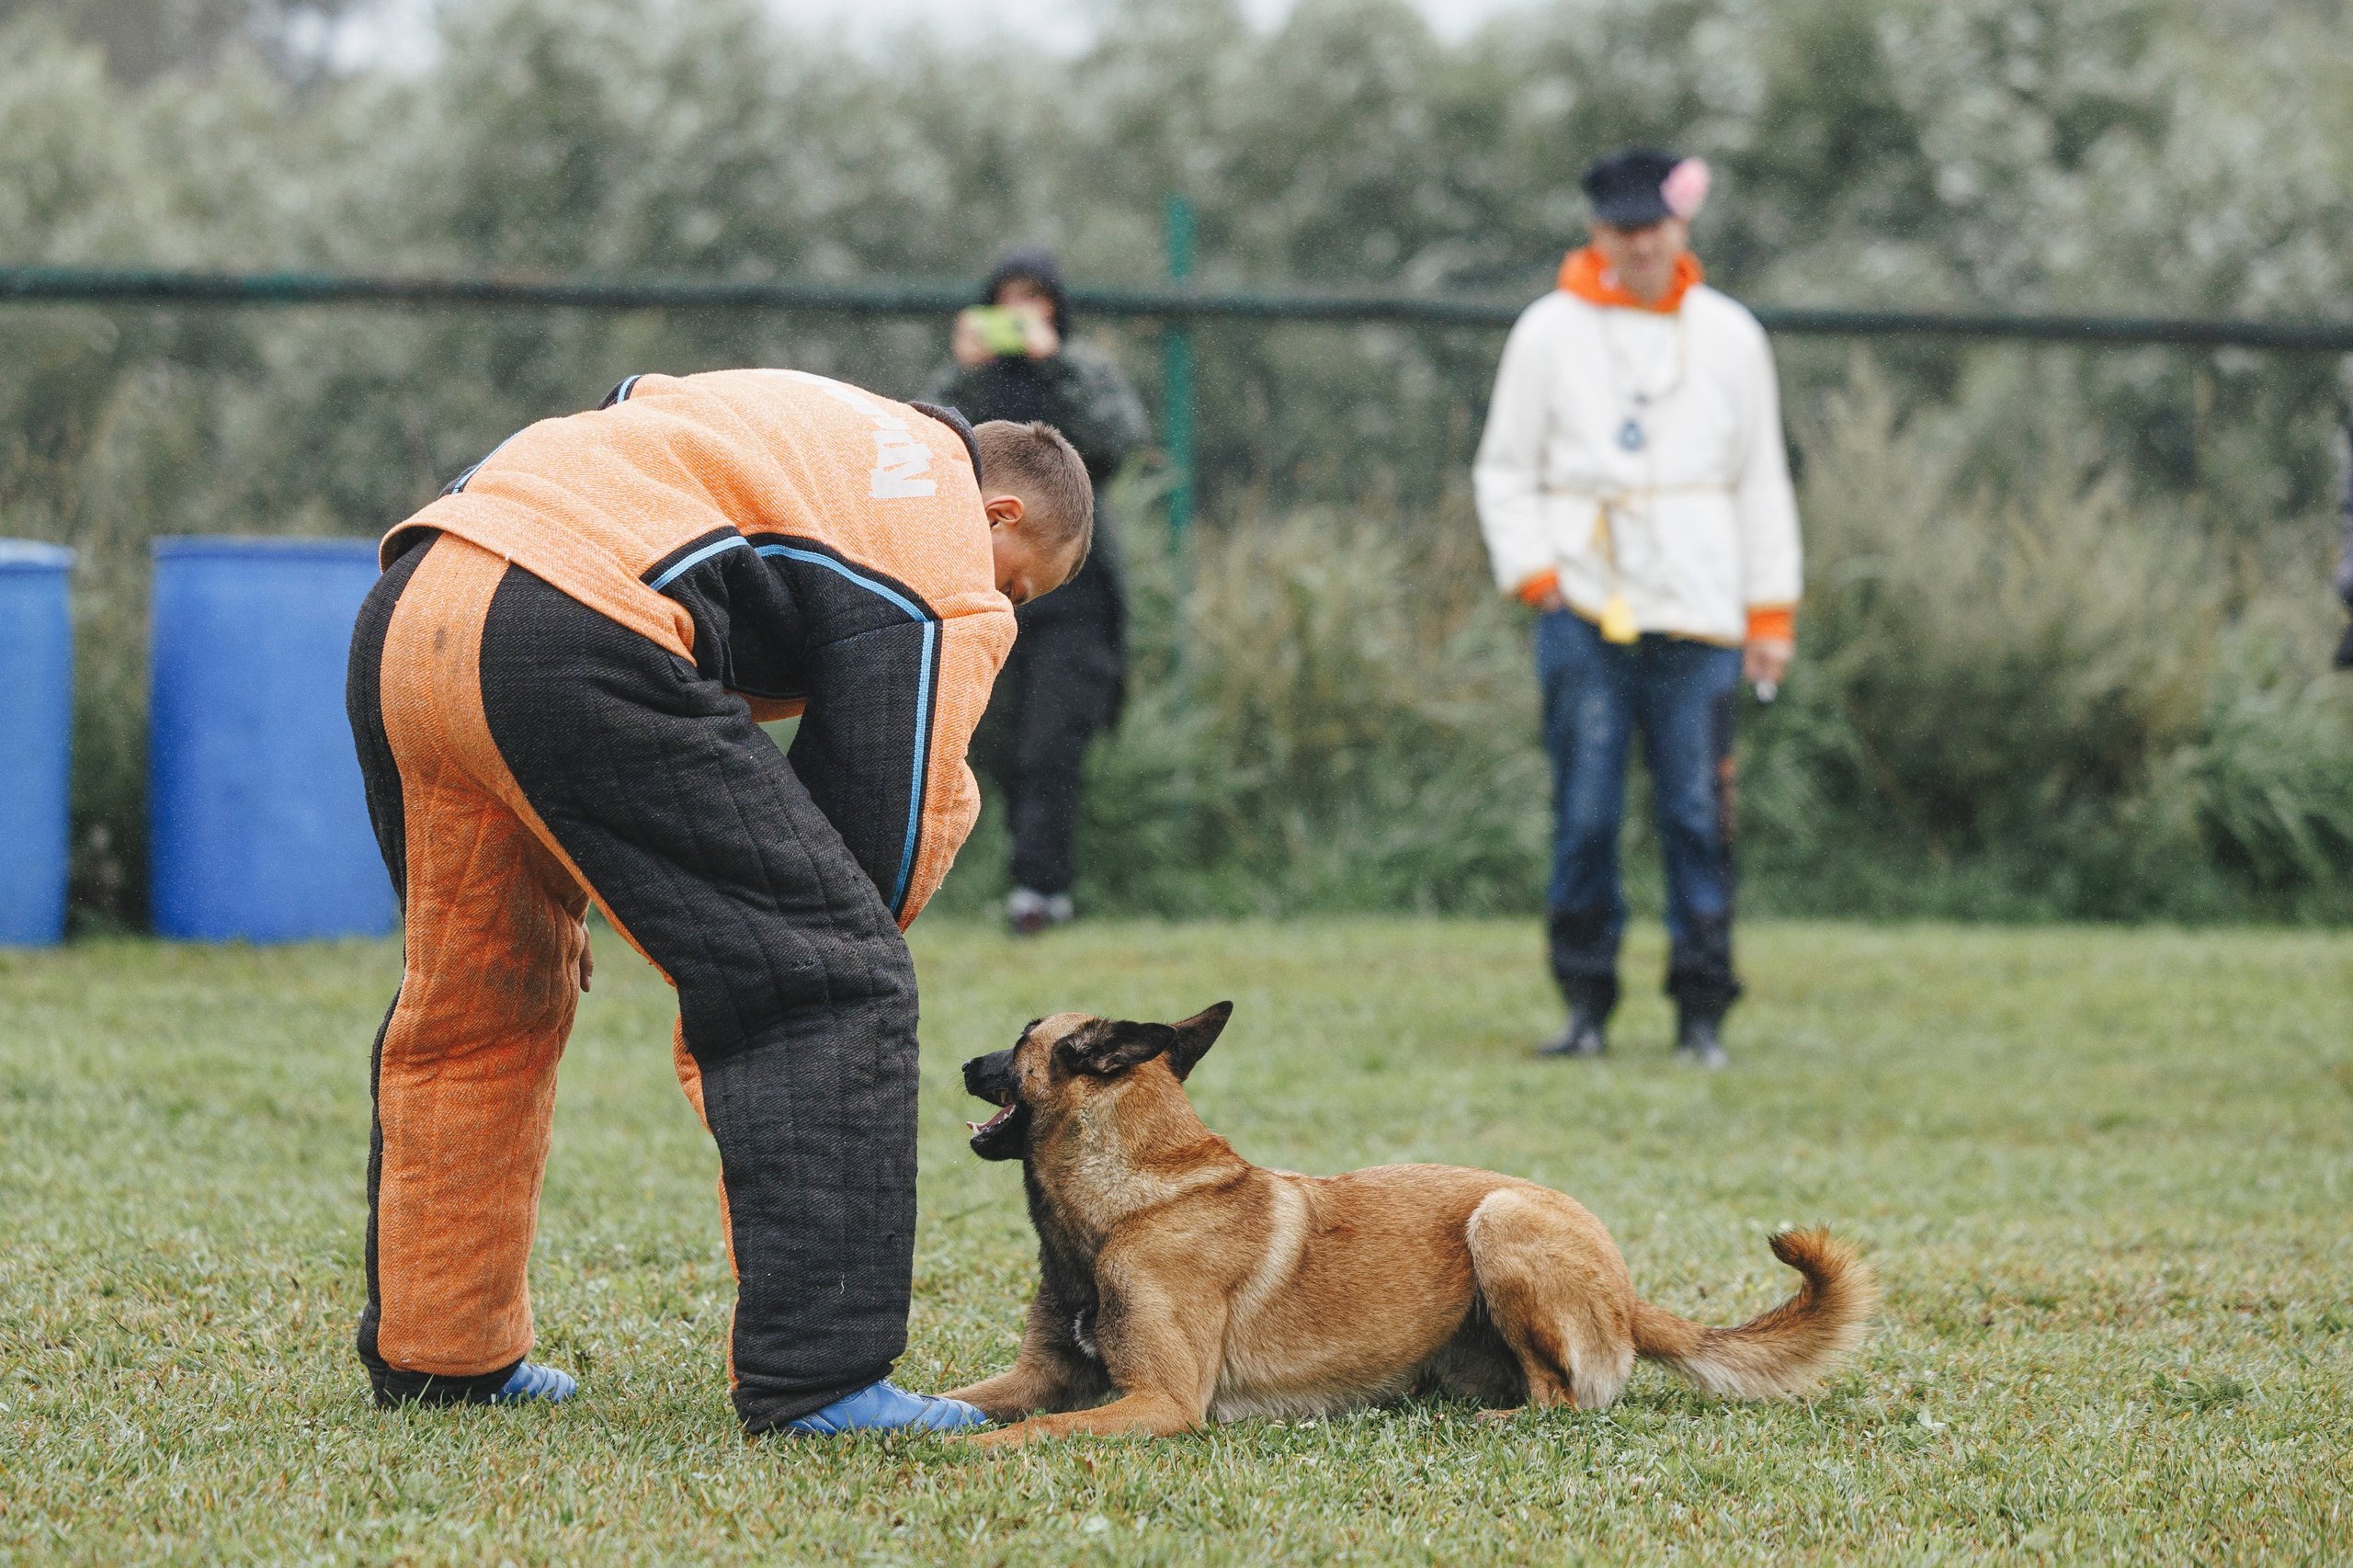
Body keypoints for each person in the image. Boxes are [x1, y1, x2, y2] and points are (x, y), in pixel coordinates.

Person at [344, 368, 1093, 1435]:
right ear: (1000, 515)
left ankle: (442, 1353)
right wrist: (825, 950)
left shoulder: (824, 426)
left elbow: (627, 409)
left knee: (477, 998)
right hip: (568, 619)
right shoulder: (943, 543)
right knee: (831, 980)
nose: (1003, 610)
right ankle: (820, 1381)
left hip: (418, 597)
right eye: (1023, 587)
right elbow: (881, 827)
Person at [1472, 148, 1802, 1070]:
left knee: (1698, 813)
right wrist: (1537, 574)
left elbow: (1761, 478)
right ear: (1597, 236)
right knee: (1584, 813)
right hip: (1584, 609)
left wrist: (1769, 614)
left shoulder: (1731, 334)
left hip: (1700, 612)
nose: (1639, 247)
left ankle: (1702, 1006)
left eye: (1652, 229)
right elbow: (1505, 466)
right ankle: (1584, 1001)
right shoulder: (1547, 330)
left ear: (1679, 228)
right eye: (1621, 232)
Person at [923, 247, 1149, 935]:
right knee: (997, 745)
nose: (1020, 315)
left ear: (1056, 309)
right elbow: (921, 442)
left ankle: (1041, 892)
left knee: (1053, 746)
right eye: (1007, 301)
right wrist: (963, 368)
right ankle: (1013, 880)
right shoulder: (973, 384)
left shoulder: (1081, 375)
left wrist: (1059, 365)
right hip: (985, 590)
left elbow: (1120, 439)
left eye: (1035, 300)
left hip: (1074, 598)